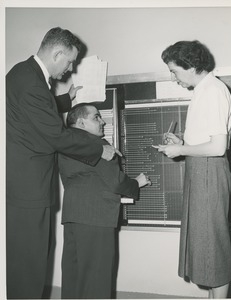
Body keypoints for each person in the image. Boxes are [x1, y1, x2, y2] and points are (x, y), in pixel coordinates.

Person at [6, 27, 120, 299]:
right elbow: (55, 135)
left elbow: (32, 111)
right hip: (28, 188)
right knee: (29, 264)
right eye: (69, 61)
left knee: (27, 260)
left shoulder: (23, 75)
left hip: (23, 184)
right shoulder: (32, 81)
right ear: (56, 53)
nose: (70, 69)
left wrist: (64, 99)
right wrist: (98, 148)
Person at [156, 40, 231, 299]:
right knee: (205, 245)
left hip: (209, 172)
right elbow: (208, 142)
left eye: (174, 70)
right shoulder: (203, 90)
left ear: (190, 66)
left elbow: (218, 147)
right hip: (202, 171)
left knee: (213, 247)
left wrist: (181, 151)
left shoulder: (212, 90)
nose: (172, 76)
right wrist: (183, 144)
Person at [59, 103, 151, 299]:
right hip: (97, 218)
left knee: (74, 276)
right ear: (81, 122)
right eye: (96, 117)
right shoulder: (97, 145)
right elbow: (116, 182)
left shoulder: (67, 143)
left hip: (73, 216)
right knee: (97, 278)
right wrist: (136, 183)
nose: (103, 121)